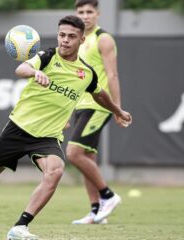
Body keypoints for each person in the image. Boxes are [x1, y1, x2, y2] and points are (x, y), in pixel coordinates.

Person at [0, 15, 132, 240]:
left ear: (82, 40)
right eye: (62, 35)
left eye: (71, 36)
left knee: (55, 171)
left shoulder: (86, 73)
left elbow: (99, 93)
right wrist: (35, 72)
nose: (65, 40)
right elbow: (22, 69)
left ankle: (20, 227)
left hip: (47, 137)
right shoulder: (46, 56)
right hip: (18, 129)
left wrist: (117, 110)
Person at [66, 0, 124, 225]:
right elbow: (73, 79)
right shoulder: (78, 41)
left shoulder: (104, 39)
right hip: (80, 105)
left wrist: (117, 107)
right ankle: (96, 211)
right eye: (80, 11)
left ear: (98, 14)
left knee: (74, 154)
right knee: (87, 157)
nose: (85, 15)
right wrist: (66, 112)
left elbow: (112, 75)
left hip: (99, 105)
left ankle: (108, 196)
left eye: (89, 11)